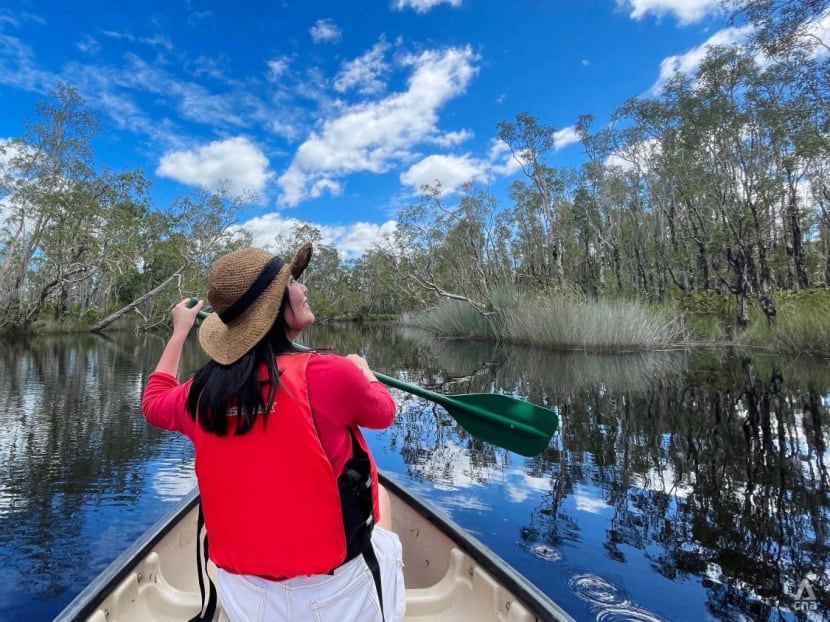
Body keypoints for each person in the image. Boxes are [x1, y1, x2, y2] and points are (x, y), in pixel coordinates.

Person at [141, 243, 406, 622]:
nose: (304, 289)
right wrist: (362, 371)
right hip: (334, 595)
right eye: (295, 282)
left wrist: (179, 331)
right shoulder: (329, 373)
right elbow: (384, 412)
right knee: (379, 493)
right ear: (275, 304)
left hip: (243, 595)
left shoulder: (199, 393)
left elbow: (153, 401)